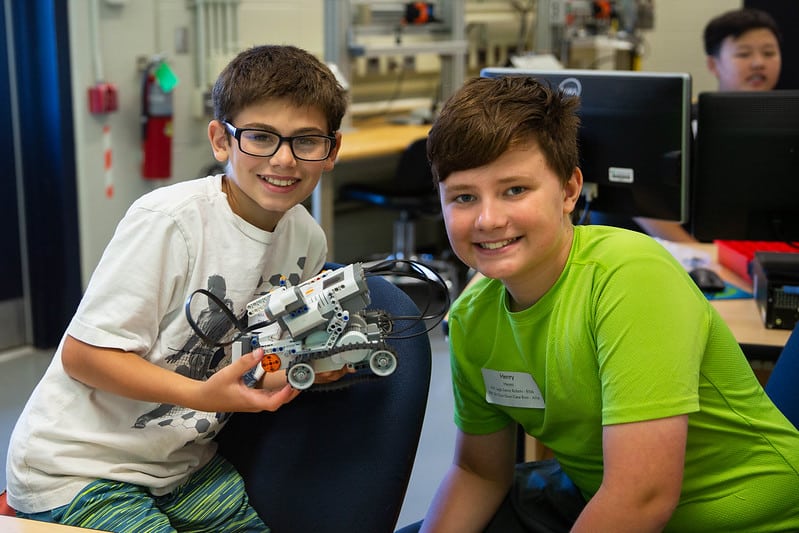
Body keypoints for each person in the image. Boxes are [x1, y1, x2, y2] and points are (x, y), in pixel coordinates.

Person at [402, 75, 799, 532]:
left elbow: (642, 497)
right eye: (464, 197)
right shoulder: (474, 318)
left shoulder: (629, 277)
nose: (489, 219)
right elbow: (478, 472)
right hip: (602, 503)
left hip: (753, 520)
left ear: (570, 191)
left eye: (515, 190)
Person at [5, 45, 349, 531]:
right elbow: (84, 356)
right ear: (221, 141)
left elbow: (262, 355)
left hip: (183, 466)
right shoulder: (170, 222)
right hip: (80, 468)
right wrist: (205, 395)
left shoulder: (307, 238)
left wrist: (296, 368)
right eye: (260, 137)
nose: (284, 159)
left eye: (306, 141)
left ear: (331, 150)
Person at [635, 6, 783, 242]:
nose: (758, 63)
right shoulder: (684, 124)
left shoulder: (786, 124)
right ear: (714, 65)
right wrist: (695, 250)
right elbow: (640, 196)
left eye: (769, 53)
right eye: (744, 54)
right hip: (701, 256)